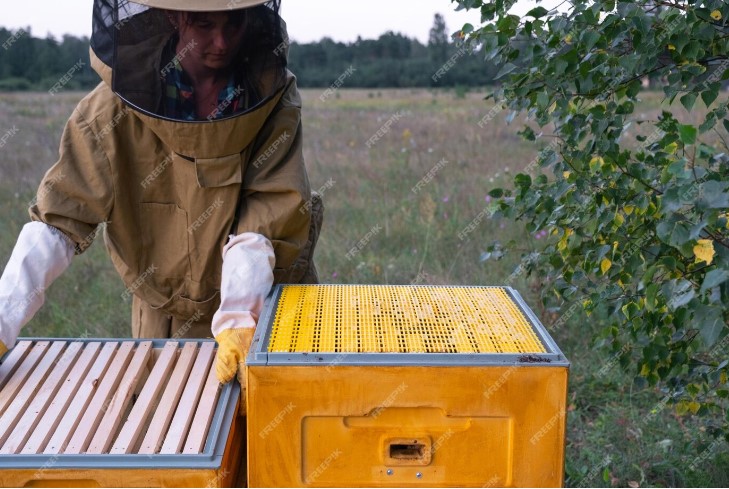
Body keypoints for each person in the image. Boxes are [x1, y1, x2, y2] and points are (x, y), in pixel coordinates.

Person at [0, 0, 322, 399]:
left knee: (278, 428)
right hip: (164, 317)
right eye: (204, 24)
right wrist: (3, 320)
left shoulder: (271, 95)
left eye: (233, 23)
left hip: (270, 311)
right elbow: (57, 223)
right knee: (167, 428)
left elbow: (266, 215)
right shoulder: (108, 113)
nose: (222, 42)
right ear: (173, 16)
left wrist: (241, 316)